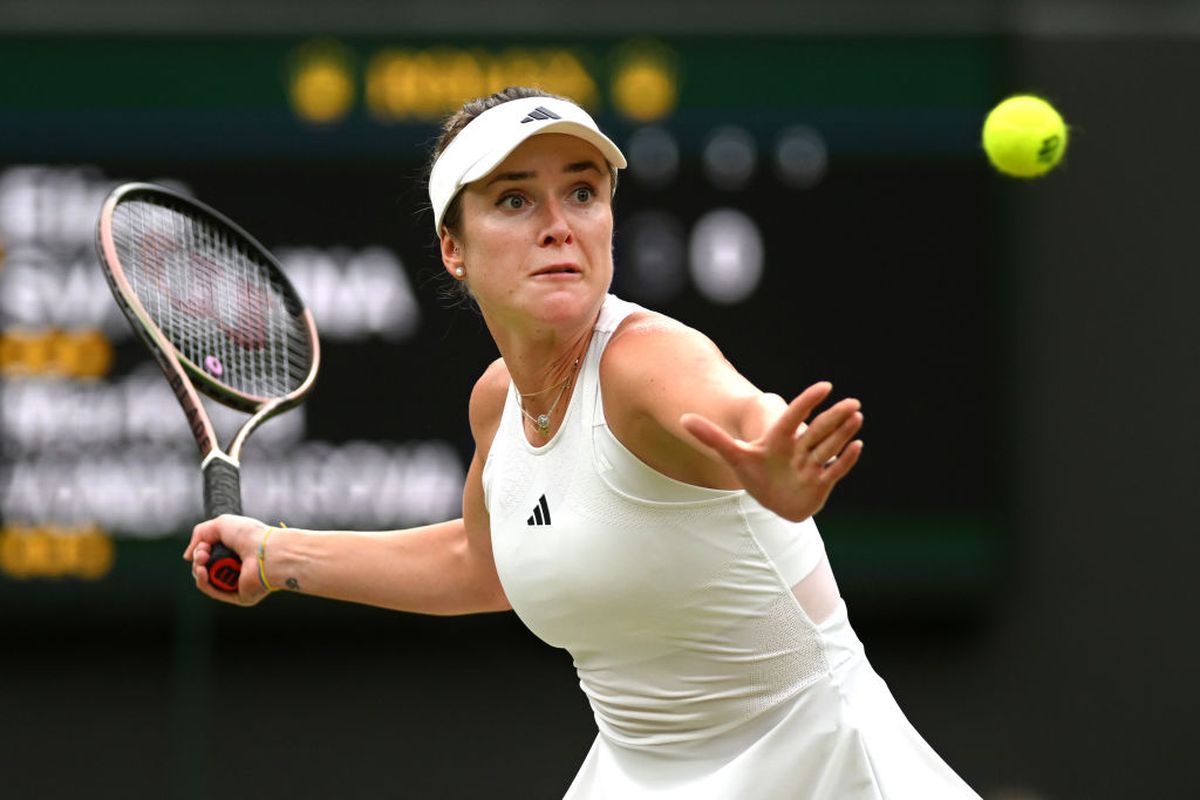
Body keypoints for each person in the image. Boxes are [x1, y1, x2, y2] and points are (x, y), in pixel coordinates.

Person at [185, 86, 981, 799]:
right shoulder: (498, 405)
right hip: (639, 774)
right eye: (514, 201)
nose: (560, 226)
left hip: (819, 769)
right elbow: (480, 562)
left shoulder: (645, 361)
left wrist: (770, 458)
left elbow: (737, 409)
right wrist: (274, 556)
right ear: (452, 248)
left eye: (582, 192)